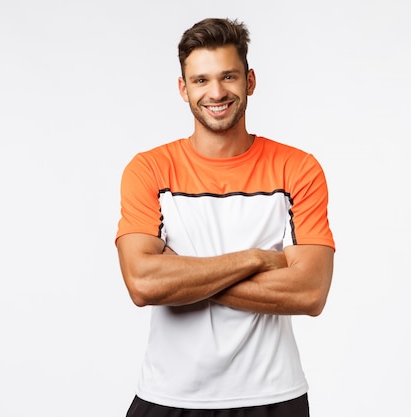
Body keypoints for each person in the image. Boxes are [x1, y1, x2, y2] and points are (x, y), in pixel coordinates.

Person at [115, 17, 335, 417]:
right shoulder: (149, 169)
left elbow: (310, 292)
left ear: (250, 81)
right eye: (200, 80)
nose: (216, 93)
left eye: (228, 76)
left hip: (273, 397)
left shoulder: (298, 168)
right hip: (169, 398)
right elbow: (143, 284)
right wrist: (256, 259)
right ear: (183, 89)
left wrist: (180, 277)